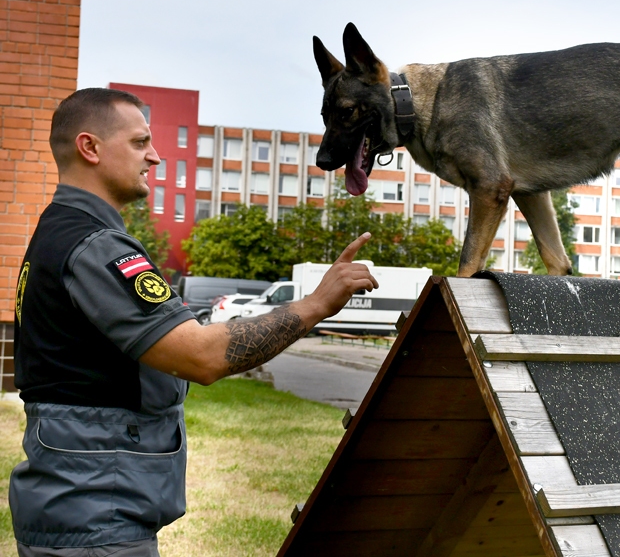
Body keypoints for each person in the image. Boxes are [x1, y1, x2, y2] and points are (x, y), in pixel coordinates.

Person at [10, 88, 378, 557]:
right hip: (95, 516)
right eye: (141, 142)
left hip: (81, 503)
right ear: (91, 148)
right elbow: (202, 355)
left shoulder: (59, 230)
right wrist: (316, 304)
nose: (155, 156)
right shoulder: (97, 246)